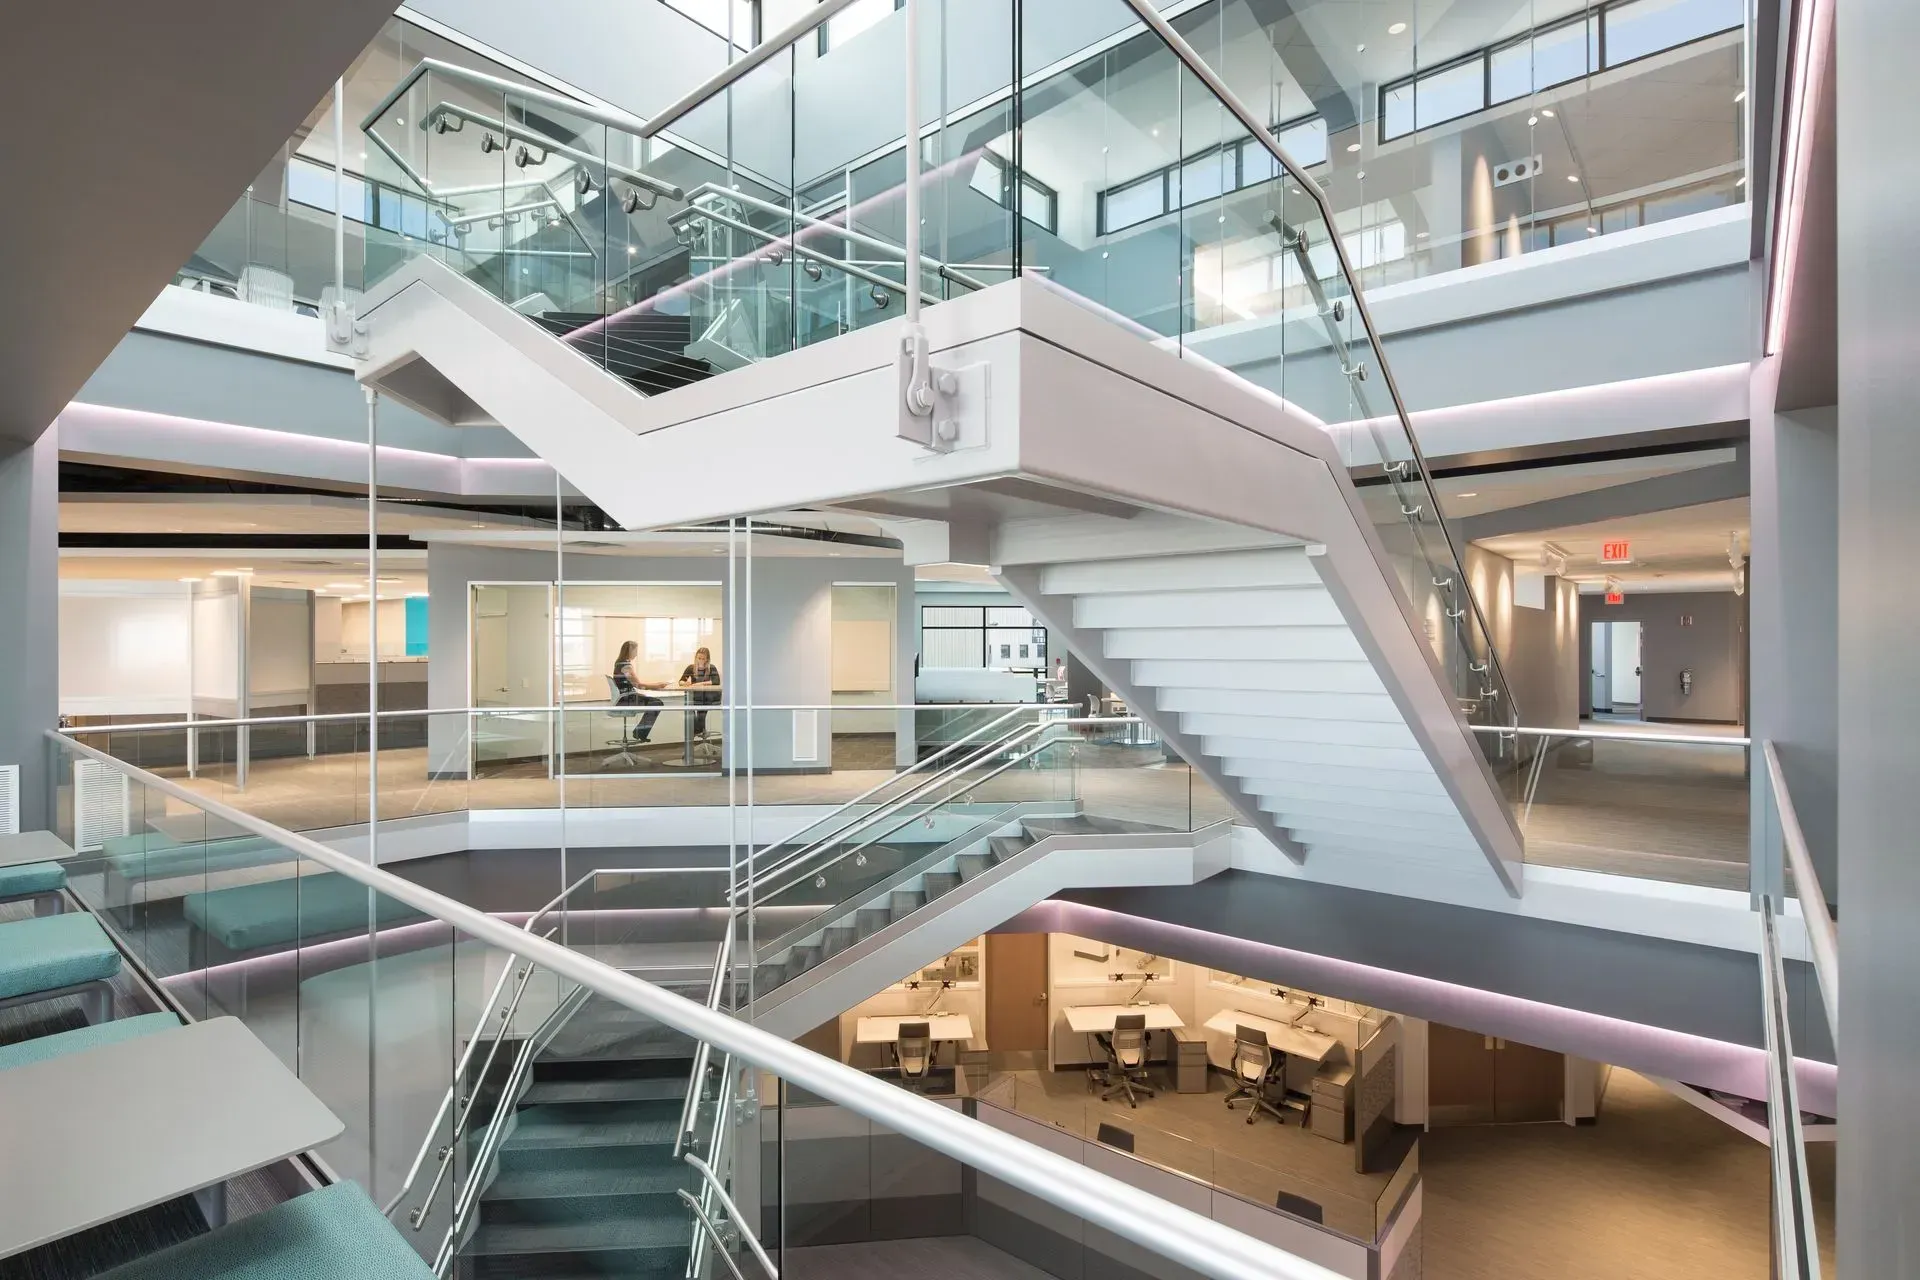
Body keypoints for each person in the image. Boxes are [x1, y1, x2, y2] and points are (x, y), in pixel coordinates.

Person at [612, 640, 665, 742]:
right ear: (630, 651)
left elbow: (637, 684)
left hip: (625, 698)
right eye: (635, 651)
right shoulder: (626, 666)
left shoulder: (619, 664)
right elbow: (639, 685)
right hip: (627, 700)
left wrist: (656, 684)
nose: (636, 654)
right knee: (657, 703)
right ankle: (640, 732)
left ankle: (639, 732)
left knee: (655, 702)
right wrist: (657, 685)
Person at [679, 646, 721, 737]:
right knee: (690, 708)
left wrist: (698, 684)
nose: (701, 660)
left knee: (701, 708)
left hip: (709, 697)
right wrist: (684, 683)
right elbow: (681, 681)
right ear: (696, 658)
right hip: (696, 697)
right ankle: (699, 729)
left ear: (707, 659)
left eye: (703, 658)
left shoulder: (711, 668)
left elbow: (716, 681)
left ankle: (698, 730)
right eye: (699, 658)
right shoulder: (691, 668)